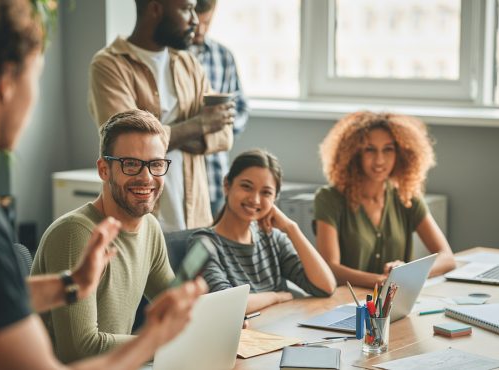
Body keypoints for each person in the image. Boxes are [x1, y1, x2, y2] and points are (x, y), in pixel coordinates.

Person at [0, 1, 206, 369]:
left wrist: (71, 284)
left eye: (155, 165)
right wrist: (157, 339)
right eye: (37, 77)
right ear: (6, 83)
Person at [31, 110, 183, 362]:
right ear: (104, 169)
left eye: (156, 164)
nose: (146, 177)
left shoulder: (150, 227)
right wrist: (164, 343)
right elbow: (80, 348)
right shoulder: (76, 233)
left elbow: (173, 301)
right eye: (131, 164)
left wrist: (215, 323)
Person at [88, 0, 235, 232]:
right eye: (187, 9)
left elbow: (224, 134)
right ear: (156, 9)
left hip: (195, 221)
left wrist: (169, 135)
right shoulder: (109, 65)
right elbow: (127, 146)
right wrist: (201, 123)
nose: (195, 20)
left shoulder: (190, 64)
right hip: (137, 223)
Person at [315, 111, 456, 288]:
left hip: (393, 304)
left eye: (388, 149)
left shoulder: (406, 196)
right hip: (346, 306)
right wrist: (380, 281)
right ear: (354, 154)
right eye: (370, 150)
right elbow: (329, 268)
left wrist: (407, 272)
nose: (379, 160)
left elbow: (447, 257)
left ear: (401, 154)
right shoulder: (329, 199)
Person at [189, 149, 336, 314]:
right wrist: (275, 297)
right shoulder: (204, 242)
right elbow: (227, 305)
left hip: (280, 333)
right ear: (227, 185)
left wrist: (291, 228)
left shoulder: (272, 238)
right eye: (246, 187)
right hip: (246, 337)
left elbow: (326, 286)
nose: (255, 199)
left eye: (266, 193)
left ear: (274, 199)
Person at [190, 0, 249, 216]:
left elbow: (241, 108)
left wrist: (219, 130)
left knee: (211, 247)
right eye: (197, 22)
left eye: (207, 22)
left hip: (215, 176)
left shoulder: (223, 56)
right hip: (178, 176)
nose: (201, 29)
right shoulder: (169, 55)